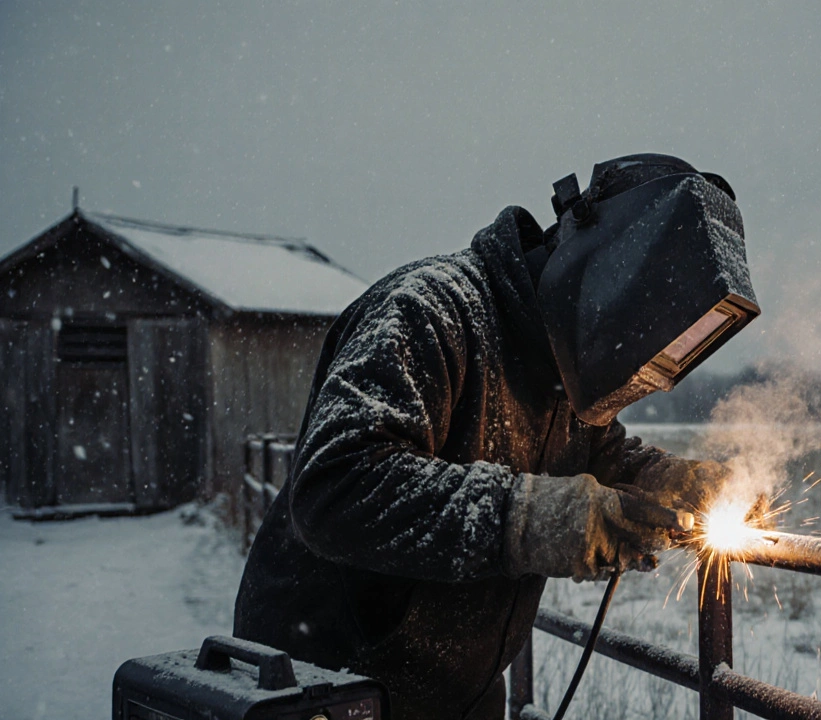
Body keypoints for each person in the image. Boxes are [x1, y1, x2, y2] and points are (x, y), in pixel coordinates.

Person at [233, 154, 759, 720]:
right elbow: (336, 485)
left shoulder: (568, 366)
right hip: (326, 685)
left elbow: (599, 452)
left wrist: (668, 480)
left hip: (462, 694)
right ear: (606, 267)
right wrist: (527, 519)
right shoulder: (430, 309)